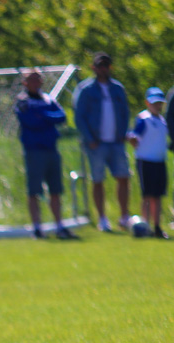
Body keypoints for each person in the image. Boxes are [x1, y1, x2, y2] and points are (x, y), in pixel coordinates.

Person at [14, 70, 77, 240]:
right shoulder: (22, 101)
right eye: (31, 80)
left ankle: (59, 226)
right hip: (34, 151)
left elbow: (61, 116)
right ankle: (37, 227)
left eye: (37, 79)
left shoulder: (48, 99)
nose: (35, 83)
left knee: (55, 190)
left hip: (51, 149)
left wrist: (43, 115)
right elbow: (30, 121)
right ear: (24, 83)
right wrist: (46, 118)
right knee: (34, 190)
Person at [73, 52, 131, 232]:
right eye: (100, 66)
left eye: (106, 65)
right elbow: (79, 117)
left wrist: (122, 134)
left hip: (116, 142)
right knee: (98, 179)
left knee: (123, 177)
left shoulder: (117, 88)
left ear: (109, 67)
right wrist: (90, 139)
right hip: (97, 143)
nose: (103, 69)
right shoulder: (86, 89)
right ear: (94, 68)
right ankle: (102, 219)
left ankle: (124, 217)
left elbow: (125, 112)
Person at [127, 87, 169, 239]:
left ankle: (157, 227)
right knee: (147, 195)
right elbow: (133, 135)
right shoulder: (144, 119)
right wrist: (133, 140)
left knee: (157, 195)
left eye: (159, 103)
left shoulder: (162, 121)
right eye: (154, 103)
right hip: (146, 161)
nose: (157, 106)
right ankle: (144, 226)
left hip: (159, 161)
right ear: (147, 103)